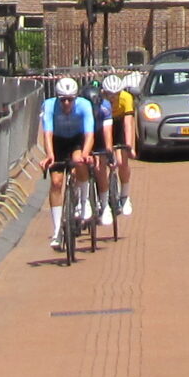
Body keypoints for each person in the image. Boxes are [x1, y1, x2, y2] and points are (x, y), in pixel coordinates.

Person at [38, 77, 102, 247]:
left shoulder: (84, 105)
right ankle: (57, 229)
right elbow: (47, 134)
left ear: (76, 98)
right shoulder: (49, 106)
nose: (66, 103)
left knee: (79, 161)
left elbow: (89, 134)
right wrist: (50, 155)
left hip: (76, 140)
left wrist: (86, 154)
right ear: (58, 98)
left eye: (70, 99)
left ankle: (84, 202)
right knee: (56, 182)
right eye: (63, 100)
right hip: (58, 141)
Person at [101, 73, 136, 220]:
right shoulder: (100, 99)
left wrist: (130, 146)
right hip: (104, 123)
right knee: (101, 162)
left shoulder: (126, 98)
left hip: (119, 124)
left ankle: (125, 196)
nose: (113, 98)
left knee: (122, 162)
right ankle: (101, 198)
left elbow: (128, 123)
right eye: (110, 95)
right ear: (104, 92)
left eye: (116, 95)